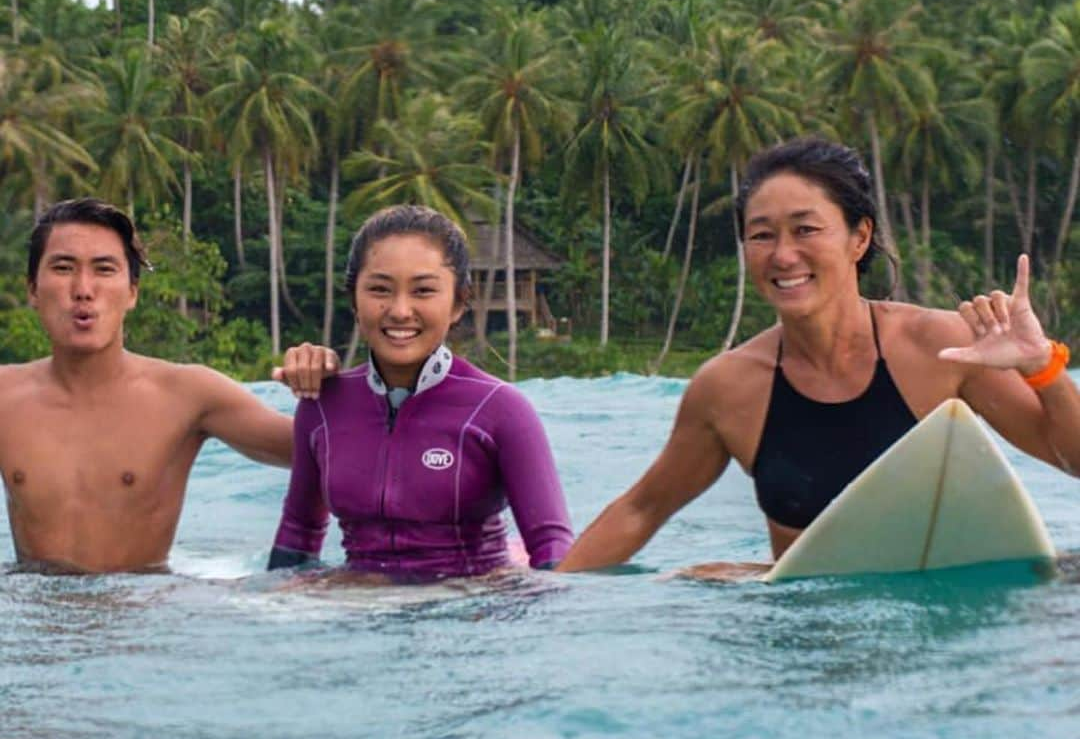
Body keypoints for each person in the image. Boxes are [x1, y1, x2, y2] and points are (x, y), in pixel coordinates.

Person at [556, 137, 1079, 577]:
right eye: (762, 235)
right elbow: (641, 510)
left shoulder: (940, 346)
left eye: (806, 229)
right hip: (813, 644)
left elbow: (1072, 461)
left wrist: (1042, 368)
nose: (783, 255)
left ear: (859, 237)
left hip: (955, 623)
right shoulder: (728, 389)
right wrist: (554, 600)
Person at [268, 204, 573, 579]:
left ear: (459, 303)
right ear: (354, 299)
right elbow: (299, 534)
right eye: (380, 289)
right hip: (358, 600)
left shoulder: (501, 410)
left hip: (473, 603)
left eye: (423, 291)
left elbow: (552, 545)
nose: (399, 310)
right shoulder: (322, 406)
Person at [0, 198, 293, 574]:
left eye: (104, 269)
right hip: (33, 614)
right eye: (62, 267)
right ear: (33, 290)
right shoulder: (6, 399)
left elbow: (327, 453)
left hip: (143, 613)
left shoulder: (190, 395)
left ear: (133, 292)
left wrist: (329, 381)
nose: (83, 289)